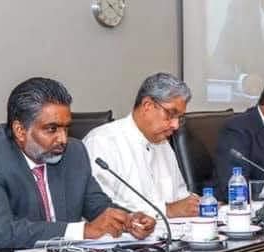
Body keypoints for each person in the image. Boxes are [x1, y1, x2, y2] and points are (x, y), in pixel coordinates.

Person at [0, 77, 156, 250]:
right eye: (51, 129)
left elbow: (98, 207)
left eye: (66, 128)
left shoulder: (74, 152)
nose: (63, 139)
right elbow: (0, 233)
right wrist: (82, 231)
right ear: (20, 130)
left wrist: (129, 220)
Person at [83, 73, 198, 218]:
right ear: (147, 106)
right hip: (122, 239)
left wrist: (196, 205)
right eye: (170, 114)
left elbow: (180, 198)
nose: (175, 125)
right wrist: (166, 210)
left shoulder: (163, 143)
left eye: (179, 118)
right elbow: (98, 209)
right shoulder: (102, 142)